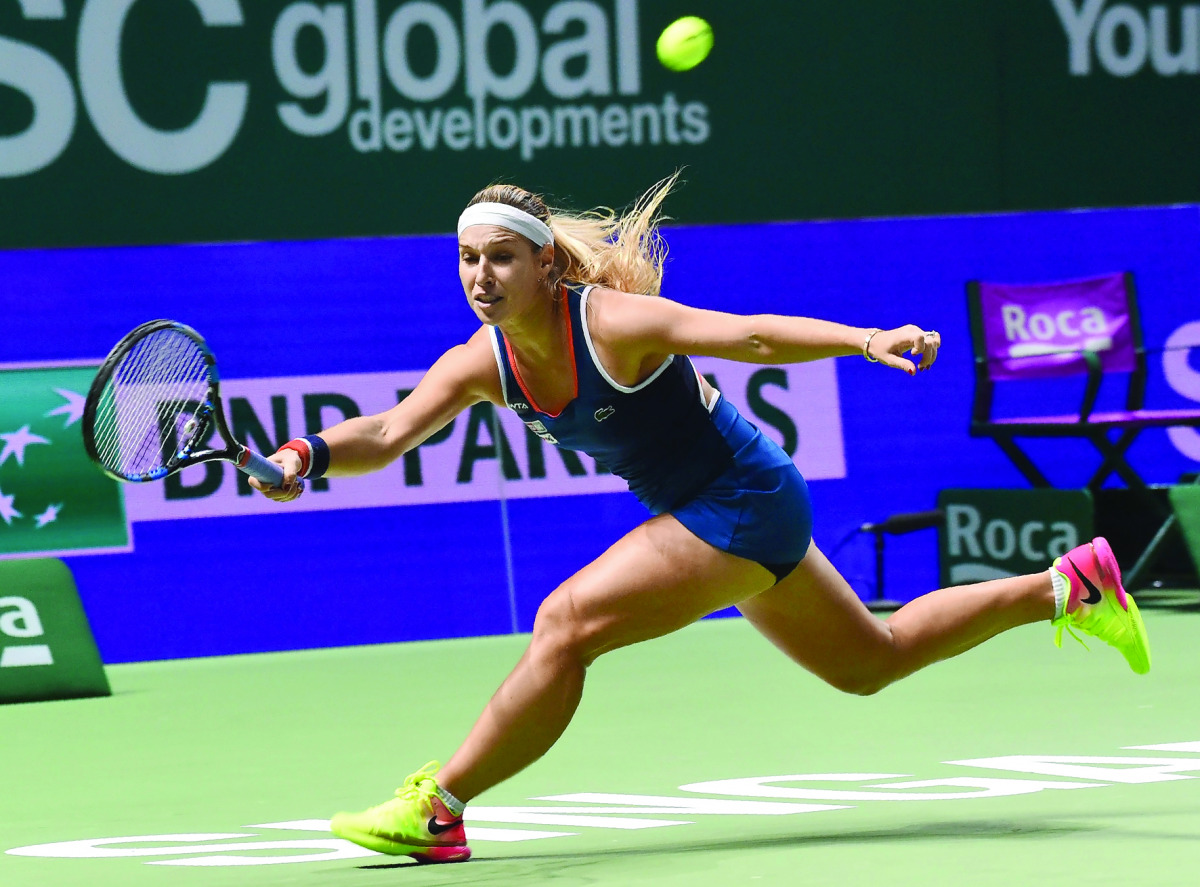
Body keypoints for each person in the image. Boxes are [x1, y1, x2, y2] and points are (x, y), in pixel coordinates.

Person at [251, 178, 1151, 864]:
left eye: (501, 258)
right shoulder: (479, 361)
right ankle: (1066, 586)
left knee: (566, 623)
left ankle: (438, 808)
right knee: (871, 662)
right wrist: (305, 456)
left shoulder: (611, 322)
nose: (480, 276)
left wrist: (864, 340)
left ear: (544, 265)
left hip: (741, 498)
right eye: (467, 259)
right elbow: (387, 429)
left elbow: (751, 335)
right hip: (711, 509)